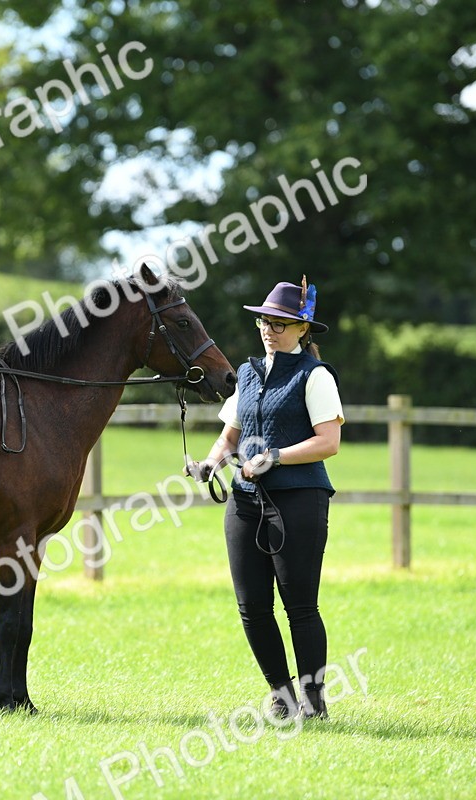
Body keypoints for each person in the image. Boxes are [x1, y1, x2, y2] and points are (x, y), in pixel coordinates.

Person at [187, 278, 343, 720]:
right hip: (245, 501)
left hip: (299, 498)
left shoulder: (315, 376)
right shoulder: (248, 372)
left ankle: (313, 701)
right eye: (263, 322)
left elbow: (328, 442)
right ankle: (282, 694)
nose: (268, 330)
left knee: (300, 607)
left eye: (279, 323)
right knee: (252, 607)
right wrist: (210, 463)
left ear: (302, 329)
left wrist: (275, 456)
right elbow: (229, 437)